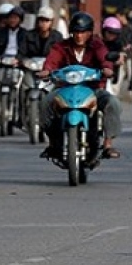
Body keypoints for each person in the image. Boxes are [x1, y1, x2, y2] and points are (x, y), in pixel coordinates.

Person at [39, 12, 122, 159]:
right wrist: (47, 71)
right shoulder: (61, 46)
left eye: (83, 32)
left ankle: (108, 144)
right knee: (45, 102)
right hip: (64, 89)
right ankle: (52, 144)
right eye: (76, 32)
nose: (79, 36)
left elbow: (105, 59)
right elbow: (52, 61)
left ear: (90, 33)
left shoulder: (97, 45)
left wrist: (107, 69)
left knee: (112, 102)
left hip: (93, 90)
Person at [100, 16, 127, 96]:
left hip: (113, 71)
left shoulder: (119, 43)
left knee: (112, 96)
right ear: (104, 31)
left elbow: (122, 57)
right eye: (110, 32)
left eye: (115, 33)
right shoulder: (97, 41)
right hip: (97, 70)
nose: (112, 35)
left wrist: (119, 59)